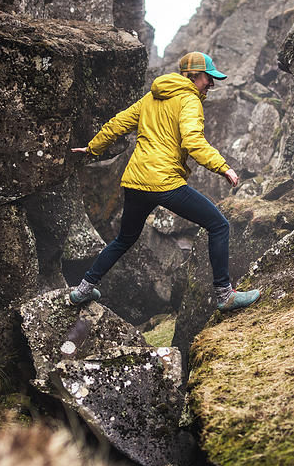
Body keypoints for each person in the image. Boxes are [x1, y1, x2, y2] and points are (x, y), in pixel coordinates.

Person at [69, 51, 260, 313]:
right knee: (218, 225)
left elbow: (118, 123)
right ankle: (224, 294)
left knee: (124, 239)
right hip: (164, 183)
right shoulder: (189, 101)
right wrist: (223, 167)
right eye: (209, 78)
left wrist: (92, 148)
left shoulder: (151, 97)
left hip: (136, 183)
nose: (212, 84)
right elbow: (193, 141)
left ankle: (83, 290)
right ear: (193, 76)